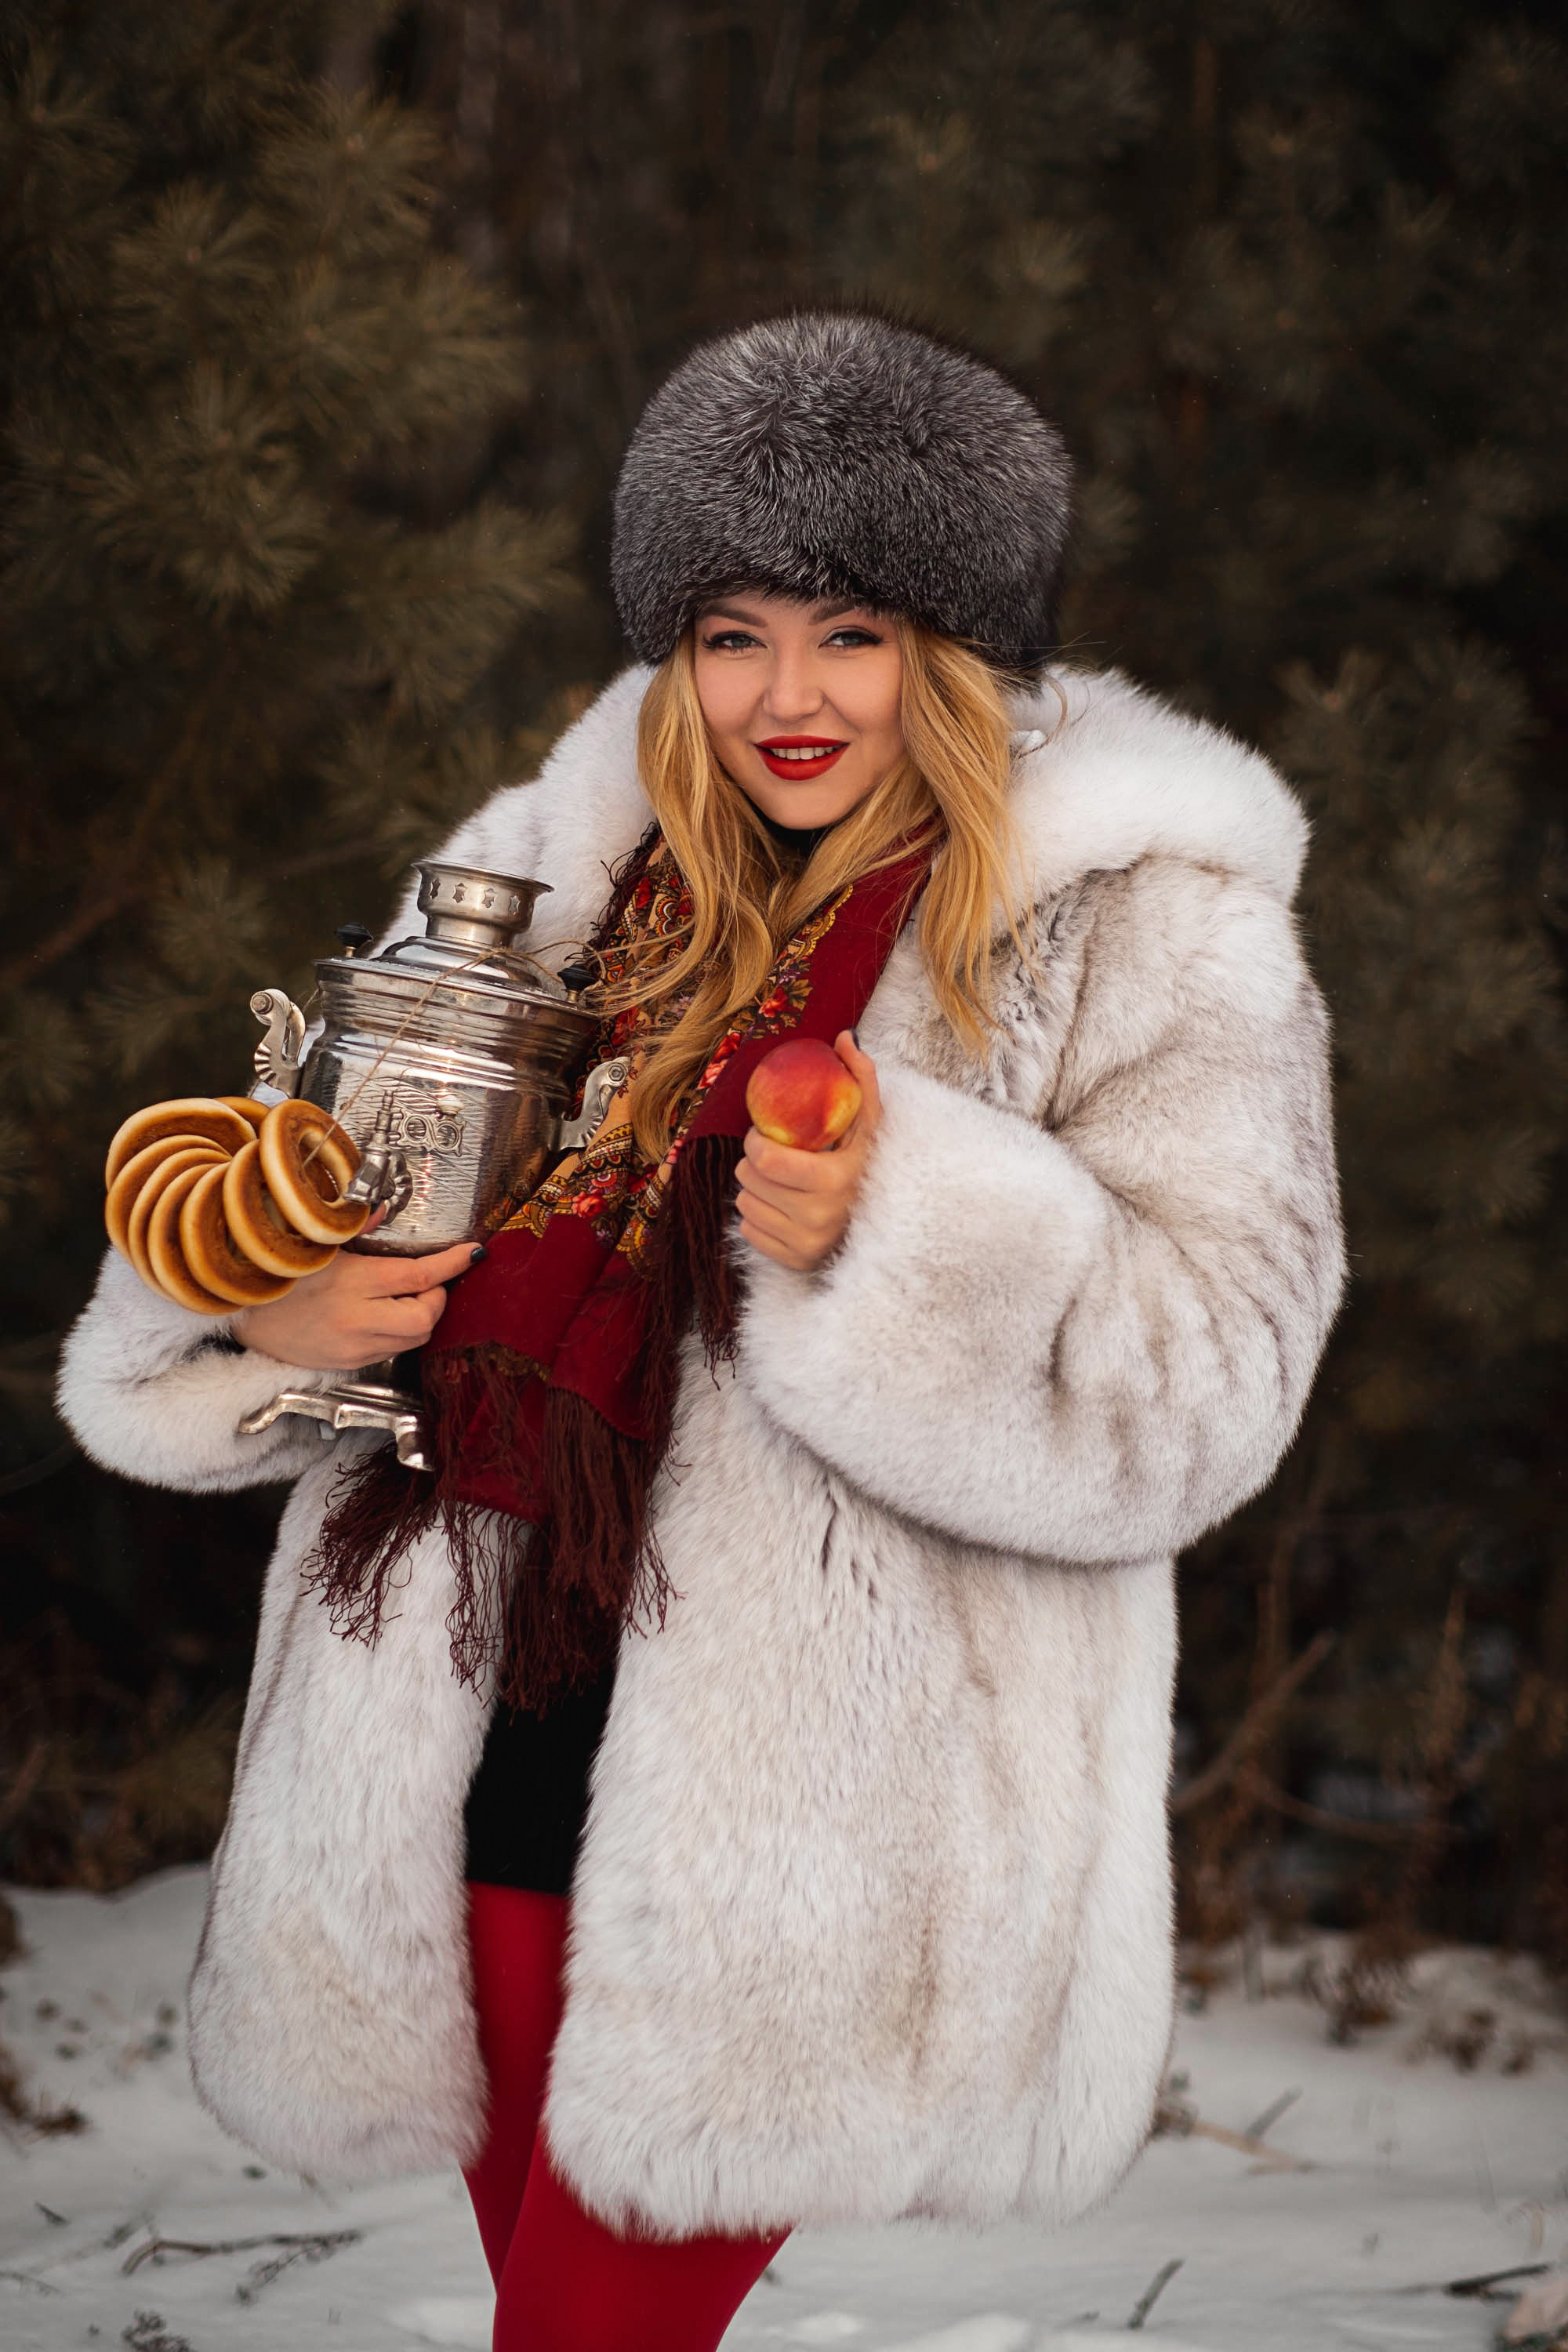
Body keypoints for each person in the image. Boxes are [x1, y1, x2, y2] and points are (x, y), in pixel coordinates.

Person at [59, 311, 1345, 2352]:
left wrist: (899, 1225)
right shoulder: (548, 876)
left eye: (852, 632)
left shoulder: (1145, 923)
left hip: (825, 1813)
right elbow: (271, 1208)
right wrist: (268, 1295)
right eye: (732, 632)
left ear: (958, 641)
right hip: (470, 1718)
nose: (787, 695)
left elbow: (1216, 1380)